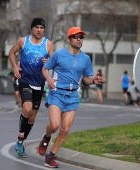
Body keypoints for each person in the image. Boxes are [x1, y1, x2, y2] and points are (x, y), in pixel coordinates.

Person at [38, 27, 102, 168]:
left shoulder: (85, 58)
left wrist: (93, 81)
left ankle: (50, 157)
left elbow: (86, 78)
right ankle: (47, 136)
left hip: (73, 96)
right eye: (75, 36)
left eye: (81, 37)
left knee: (65, 129)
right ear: (69, 39)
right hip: (57, 93)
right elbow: (44, 69)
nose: (79, 39)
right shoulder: (58, 55)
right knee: (54, 125)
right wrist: (48, 79)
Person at [9, 18, 54, 158]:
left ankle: (20, 142)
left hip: (39, 83)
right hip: (25, 80)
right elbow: (11, 53)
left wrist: (49, 63)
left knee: (32, 116)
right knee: (27, 109)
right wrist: (15, 66)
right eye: (36, 27)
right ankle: (21, 137)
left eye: (41, 27)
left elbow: (55, 63)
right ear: (32, 28)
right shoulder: (23, 41)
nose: (39, 30)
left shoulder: (49, 44)